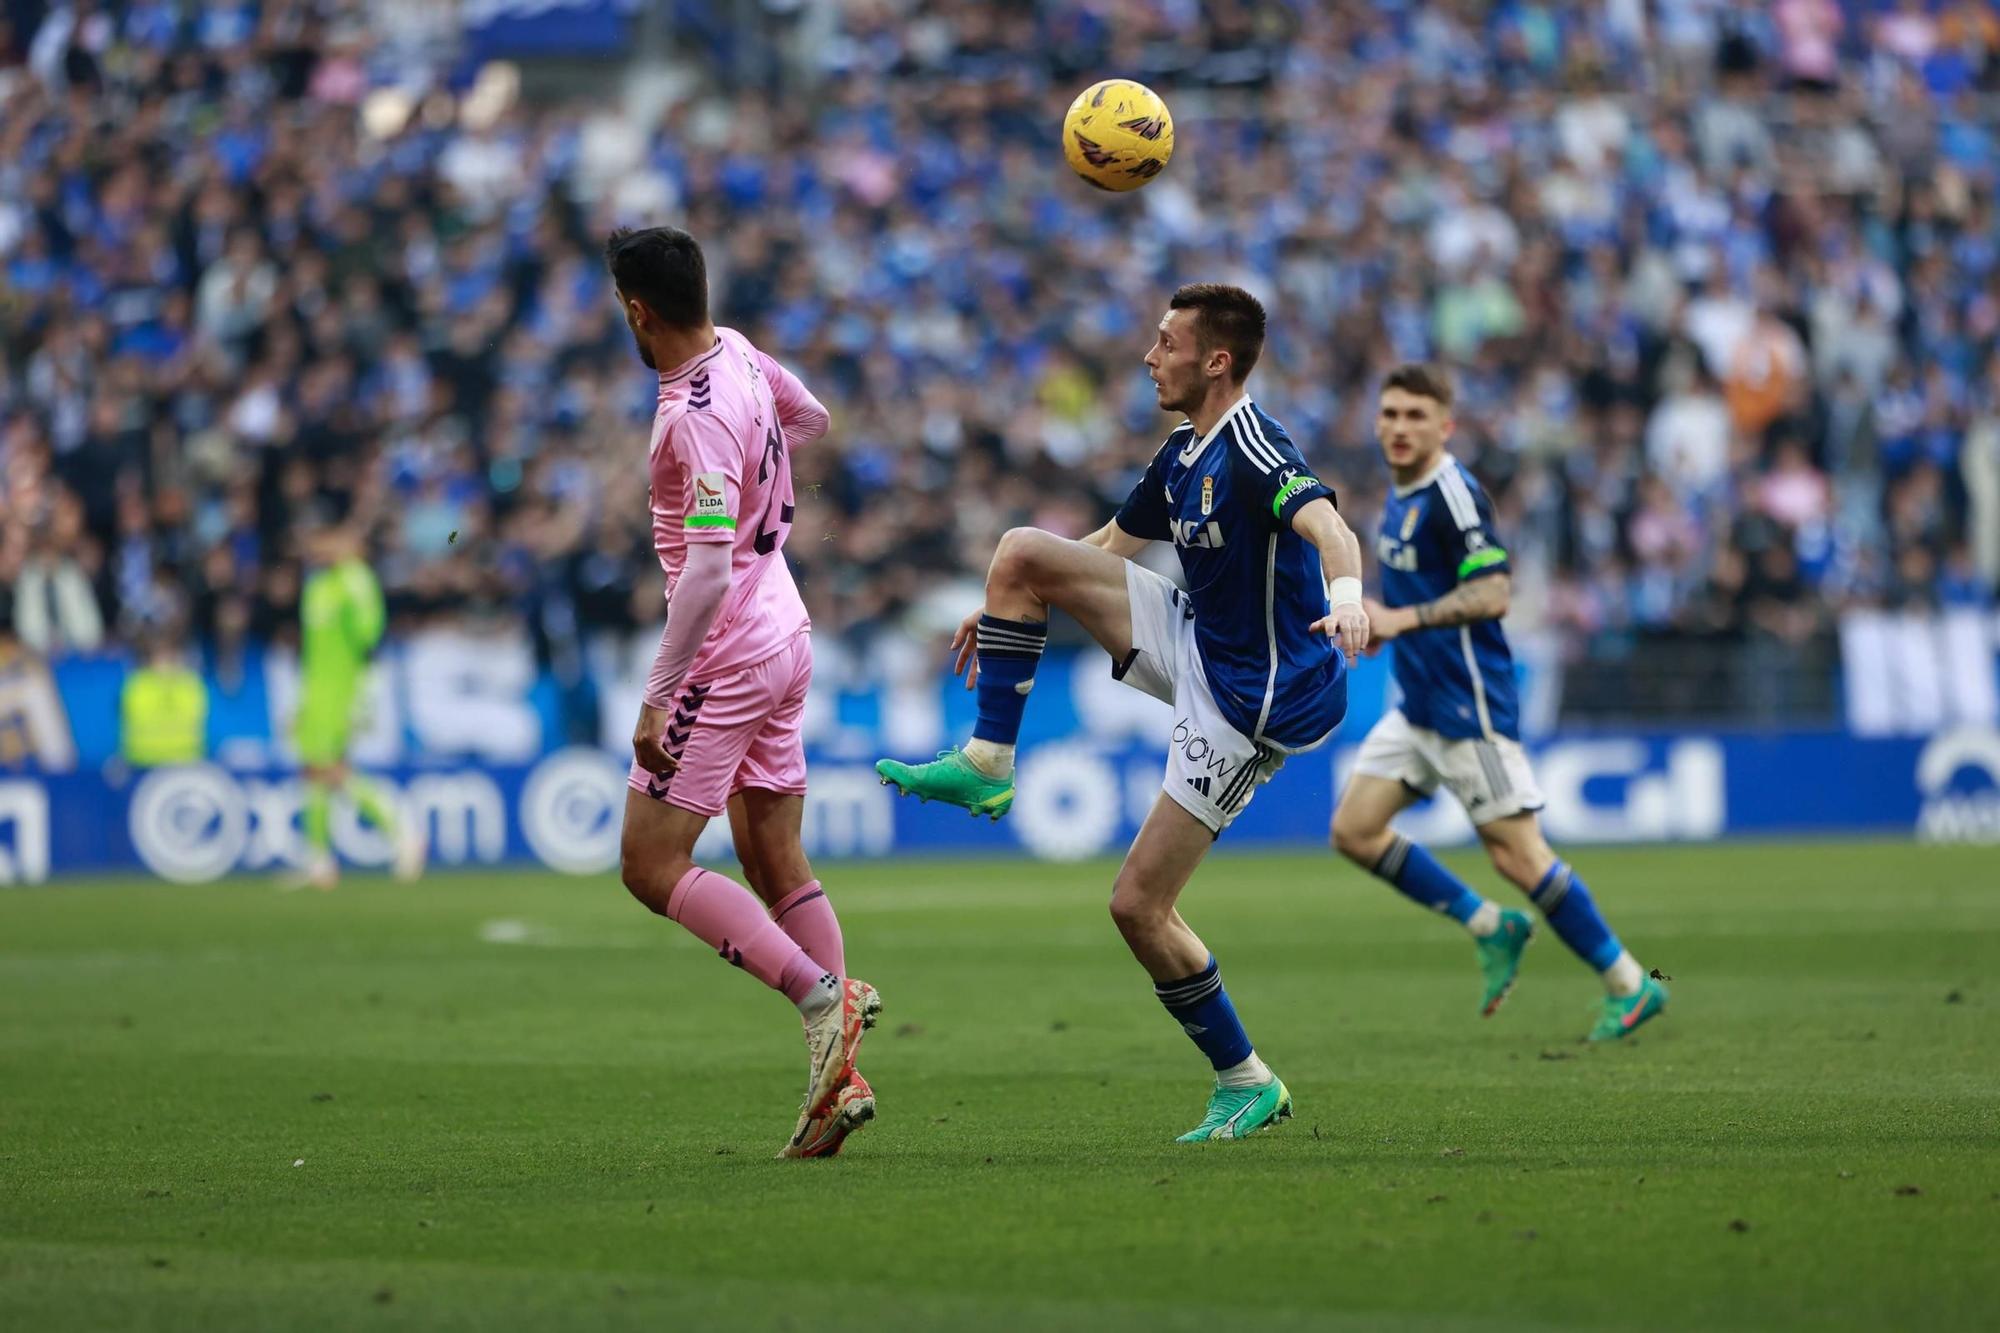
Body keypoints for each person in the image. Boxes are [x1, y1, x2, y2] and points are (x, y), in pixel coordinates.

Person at [877, 284, 1370, 1142]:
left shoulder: (1254, 449)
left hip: (1255, 703)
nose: (1149, 356)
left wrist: (1351, 597)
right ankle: (989, 764)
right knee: (1023, 549)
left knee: (1138, 906)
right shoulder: (1183, 453)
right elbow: (1102, 548)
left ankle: (1245, 1079)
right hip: (1202, 641)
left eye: (1166, 342)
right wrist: (1006, 601)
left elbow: (1331, 528)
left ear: (1215, 359)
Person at [606, 226, 879, 1160]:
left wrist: (657, 693)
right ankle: (837, 1079)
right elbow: (813, 420)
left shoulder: (694, 413)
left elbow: (710, 571)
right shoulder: (745, 354)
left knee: (650, 864)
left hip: (725, 652)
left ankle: (821, 999)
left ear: (637, 310)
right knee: (776, 857)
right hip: (788, 630)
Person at [1331, 365, 1667, 1041]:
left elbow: (1493, 594)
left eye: (1416, 416)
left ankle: (1631, 982)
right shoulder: (1397, 497)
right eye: (1391, 413)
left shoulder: (1454, 495)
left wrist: (1401, 619)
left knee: (1518, 855)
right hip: (1419, 705)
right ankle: (1492, 925)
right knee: (1355, 831)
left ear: (1445, 426)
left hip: (1469, 710)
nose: (1400, 427)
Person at [290, 519, 425, 890]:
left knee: (329, 770)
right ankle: (320, 861)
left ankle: (401, 833)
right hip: (316, 690)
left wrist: (362, 697)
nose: (317, 547)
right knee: (315, 772)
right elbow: (312, 647)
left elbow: (369, 636)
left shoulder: (355, 579)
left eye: (325, 537)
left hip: (344, 690)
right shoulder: (316, 586)